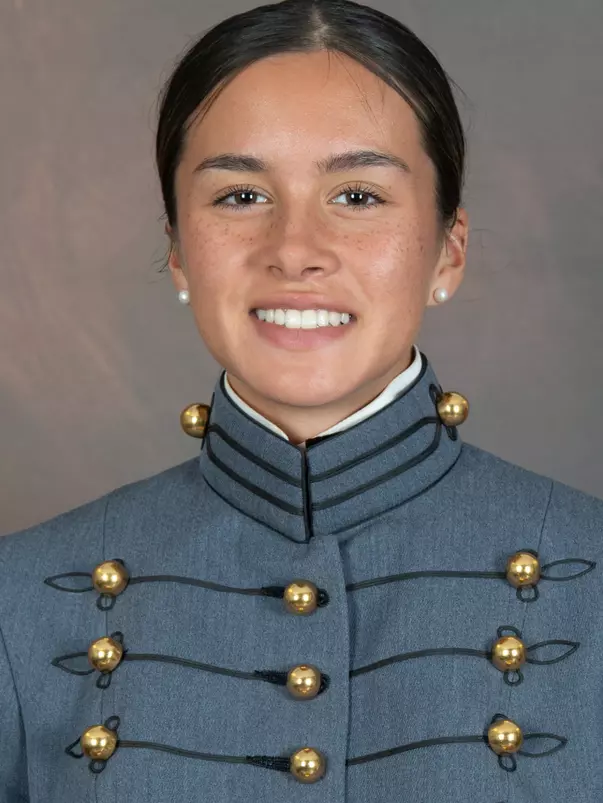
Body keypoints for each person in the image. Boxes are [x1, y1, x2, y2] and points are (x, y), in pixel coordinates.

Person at [1, 0, 601, 800]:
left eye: (356, 196)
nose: (294, 251)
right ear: (177, 251)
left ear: (447, 250)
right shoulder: (21, 596)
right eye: (240, 196)